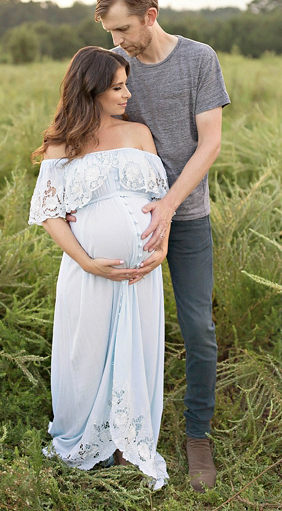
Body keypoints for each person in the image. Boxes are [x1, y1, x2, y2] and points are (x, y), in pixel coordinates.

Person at [94, 0, 230, 491]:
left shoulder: (199, 59)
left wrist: (169, 206)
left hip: (186, 216)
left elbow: (210, 144)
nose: (117, 42)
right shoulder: (118, 65)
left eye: (123, 29)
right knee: (128, 326)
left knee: (198, 328)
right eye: (110, 32)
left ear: (150, 15)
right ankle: (126, 431)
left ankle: (198, 436)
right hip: (132, 221)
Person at [29, 47, 170, 489]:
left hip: (141, 274)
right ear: (91, 90)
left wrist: (160, 249)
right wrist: (88, 261)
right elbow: (51, 213)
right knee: (86, 352)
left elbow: (159, 204)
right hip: (88, 272)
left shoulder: (139, 134)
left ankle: (129, 443)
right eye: (117, 87)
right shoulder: (61, 145)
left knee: (139, 350)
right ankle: (90, 440)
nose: (127, 93)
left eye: (127, 84)